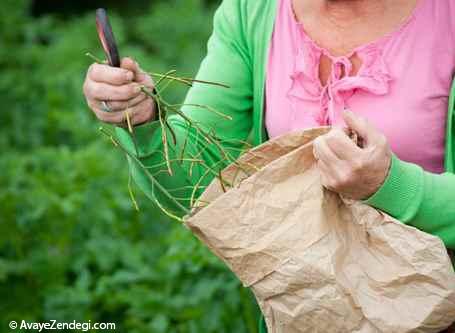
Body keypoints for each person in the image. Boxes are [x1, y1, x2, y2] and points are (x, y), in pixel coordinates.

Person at [83, 0, 455, 331]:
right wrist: (146, 120)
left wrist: (391, 186)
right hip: (309, 314)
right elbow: (196, 185)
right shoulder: (252, 11)